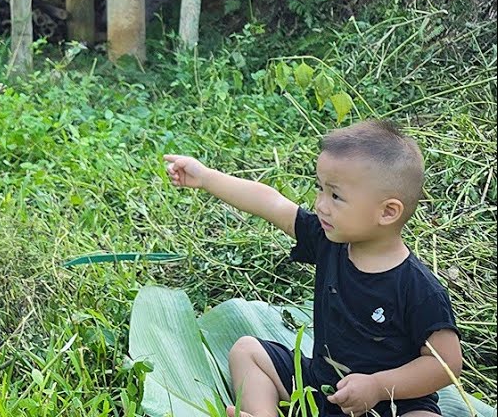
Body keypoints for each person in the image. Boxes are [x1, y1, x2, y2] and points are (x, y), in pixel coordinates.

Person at [164, 120, 462, 417]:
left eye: (335, 196)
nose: (320, 205)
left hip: (392, 405)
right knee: (246, 351)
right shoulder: (328, 241)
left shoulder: (419, 288)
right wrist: (205, 177)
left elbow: (446, 364)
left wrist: (377, 387)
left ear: (387, 211)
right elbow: (272, 204)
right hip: (321, 388)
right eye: (320, 189)